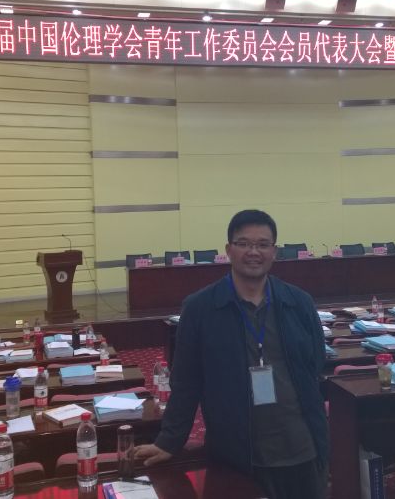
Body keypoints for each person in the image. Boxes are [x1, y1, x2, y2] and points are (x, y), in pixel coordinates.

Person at [135, 209, 329, 499]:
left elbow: (315, 363)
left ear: (274, 252)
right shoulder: (200, 309)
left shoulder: (299, 303)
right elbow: (186, 381)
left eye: (263, 244)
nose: (254, 252)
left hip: (300, 450)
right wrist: (169, 441)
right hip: (235, 455)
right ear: (228, 250)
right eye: (244, 243)